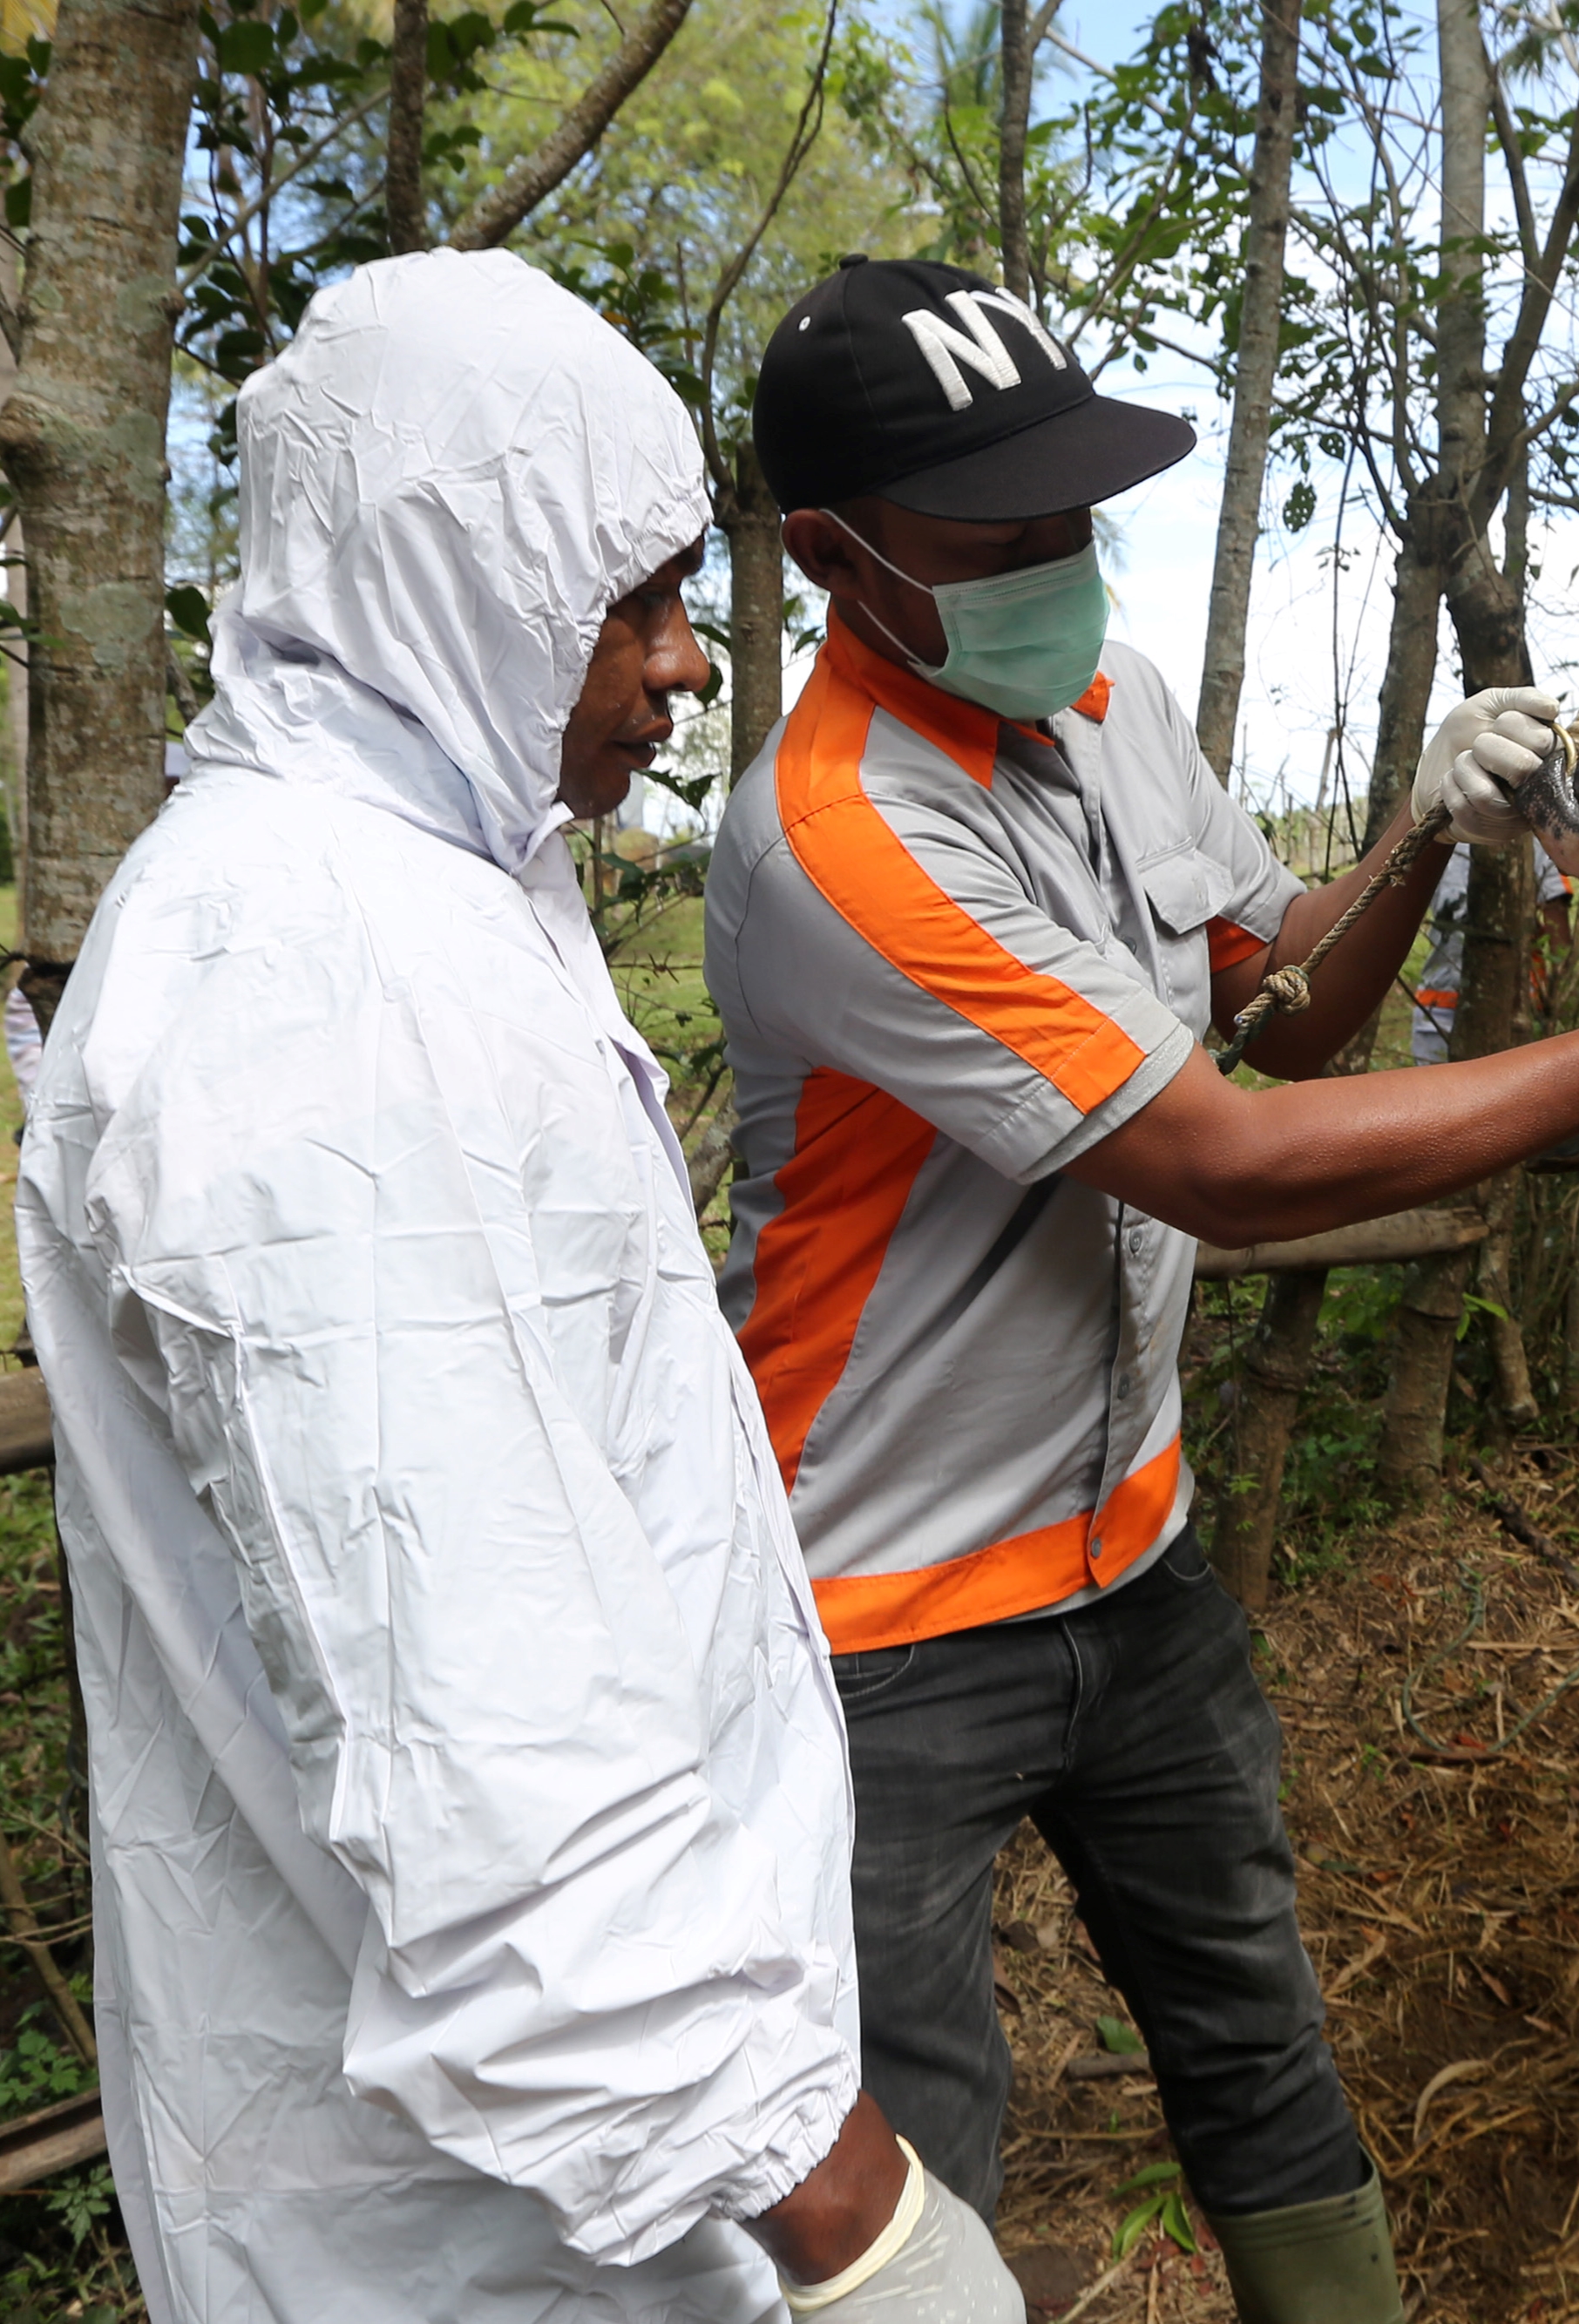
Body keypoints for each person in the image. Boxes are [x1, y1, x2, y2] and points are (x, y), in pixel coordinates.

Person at [711, 256, 1579, 2323]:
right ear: (838, 557)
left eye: (1074, 506)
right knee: (910, 2157)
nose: (1059, 554)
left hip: (1130, 1555)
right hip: (873, 1626)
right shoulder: (835, 840)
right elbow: (1216, 1160)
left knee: (1254, 2037)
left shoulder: (1112, 707)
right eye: (998, 525)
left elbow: (1273, 1008)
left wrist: (1422, 831)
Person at [17, 251, 1020, 2322]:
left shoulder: (446, 891)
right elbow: (483, 1738)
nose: (683, 666)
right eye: (634, 601)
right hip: (506, 2229)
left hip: (615, 2170)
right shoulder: (304, 980)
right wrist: (851, 2221)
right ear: (451, 582)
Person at [1405, 841, 1571, 1064]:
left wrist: (1549, 997)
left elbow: (1557, 930)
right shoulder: (1438, 838)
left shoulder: (1535, 840)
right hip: (1441, 1002)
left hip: (1516, 1007)